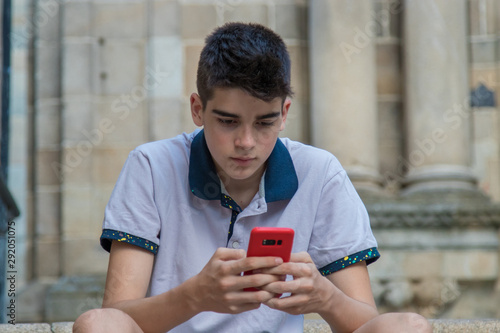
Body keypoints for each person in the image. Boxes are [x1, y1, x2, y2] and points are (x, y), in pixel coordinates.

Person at [73, 22, 432, 333]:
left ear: (284, 113)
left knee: (411, 326)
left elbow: (365, 323)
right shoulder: (151, 166)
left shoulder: (320, 173)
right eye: (228, 121)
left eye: (264, 122)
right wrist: (196, 296)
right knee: (96, 324)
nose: (246, 143)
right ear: (198, 109)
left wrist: (325, 297)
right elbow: (116, 316)